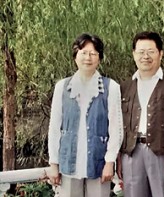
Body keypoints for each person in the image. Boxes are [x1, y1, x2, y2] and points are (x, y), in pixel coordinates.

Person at [116, 31, 164, 197]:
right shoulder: (124, 87)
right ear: (134, 54)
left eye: (151, 51)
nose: (146, 56)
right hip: (132, 154)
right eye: (141, 52)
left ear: (160, 54)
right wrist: (118, 158)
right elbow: (118, 127)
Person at [47, 33, 123, 197]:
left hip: (98, 163)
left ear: (99, 58)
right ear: (75, 56)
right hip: (68, 162)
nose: (88, 58)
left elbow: (116, 129)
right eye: (83, 52)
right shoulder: (62, 87)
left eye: (93, 53)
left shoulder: (112, 87)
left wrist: (110, 162)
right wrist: (54, 163)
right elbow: (54, 128)